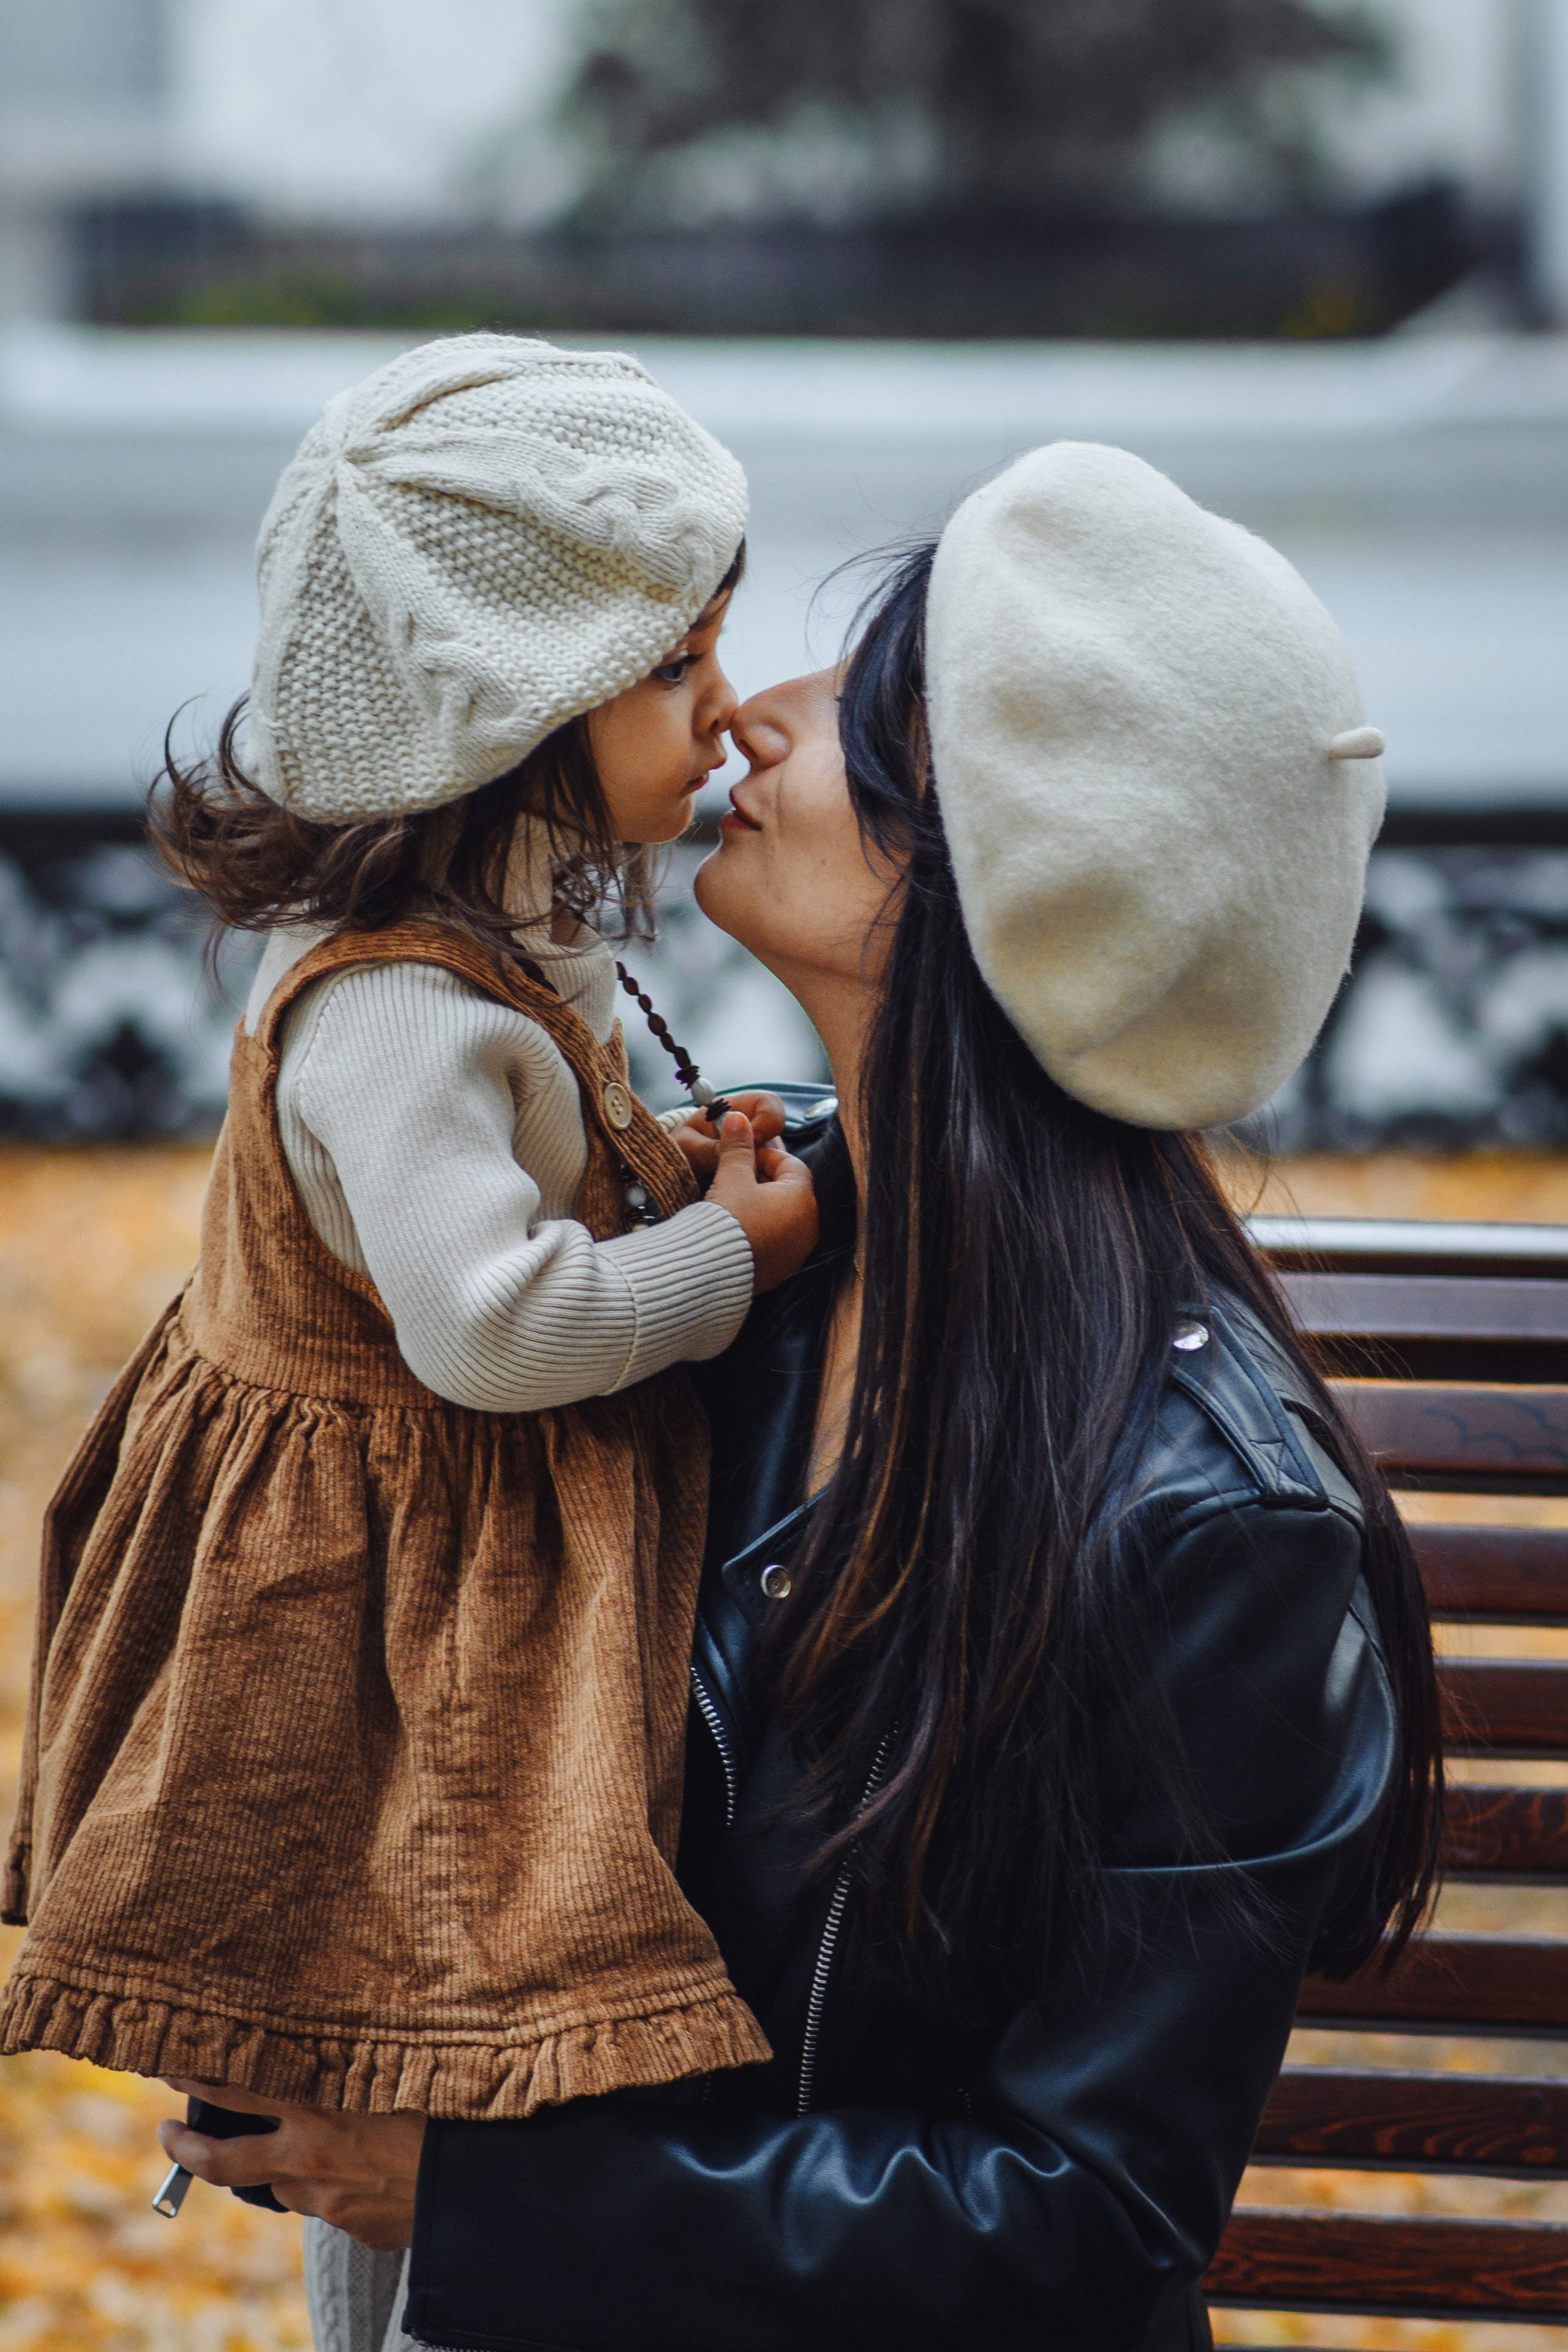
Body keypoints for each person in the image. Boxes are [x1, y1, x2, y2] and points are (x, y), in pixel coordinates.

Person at [154, 443, 1441, 2352]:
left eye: (853, 703)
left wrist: (478, 2187)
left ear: (986, 869)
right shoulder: (715, 1267)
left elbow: (1084, 2218)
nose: (744, 714)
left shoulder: (1210, 1522)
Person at [1, 337, 821, 2212]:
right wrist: (722, 1257)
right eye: (677, 666)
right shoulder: (392, 1011)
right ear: (517, 714)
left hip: (461, 1540)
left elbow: (499, 1219)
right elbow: (490, 1324)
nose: (729, 708)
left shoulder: (507, 950)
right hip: (394, 1599)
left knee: (453, 2010)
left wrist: (650, 1183)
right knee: (421, 1983)